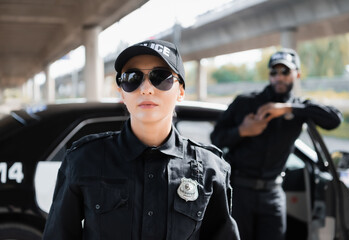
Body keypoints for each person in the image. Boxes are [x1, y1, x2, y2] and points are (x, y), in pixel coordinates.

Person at [42, 39, 240, 240]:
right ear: (121, 92)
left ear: (180, 91)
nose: (146, 89)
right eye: (132, 78)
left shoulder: (210, 168)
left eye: (161, 77)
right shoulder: (84, 159)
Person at [210, 48, 342, 240]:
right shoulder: (246, 102)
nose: (279, 77)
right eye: (274, 72)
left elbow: (334, 119)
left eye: (285, 72)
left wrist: (288, 108)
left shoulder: (299, 109)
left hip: (273, 194)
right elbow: (216, 137)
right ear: (269, 75)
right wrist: (242, 131)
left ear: (297, 74)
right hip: (239, 191)